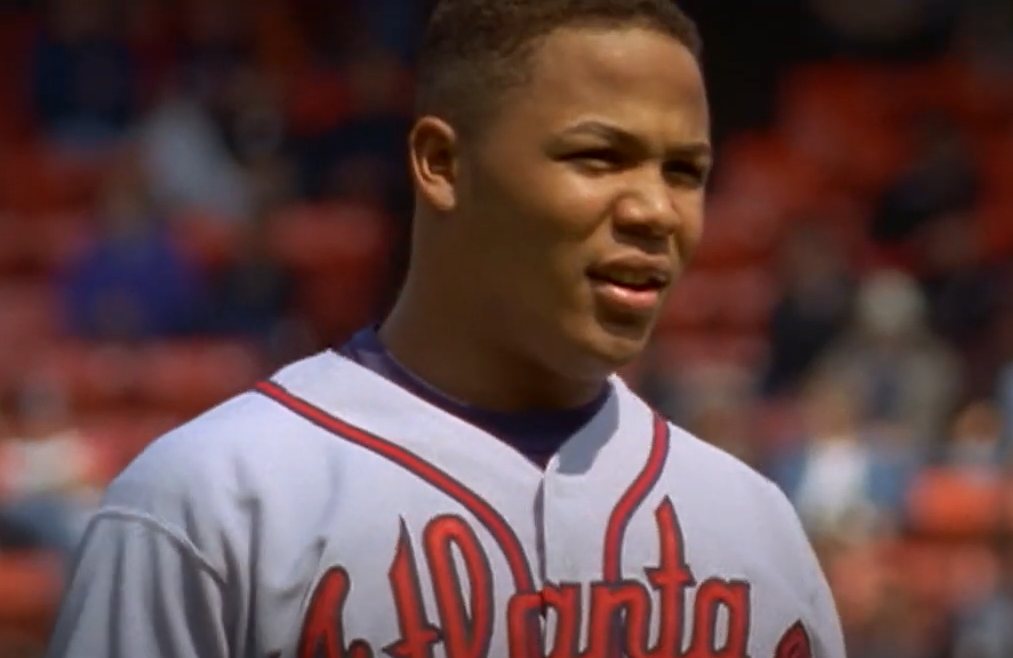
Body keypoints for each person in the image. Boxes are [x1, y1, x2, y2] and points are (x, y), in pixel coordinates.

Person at [46, 1, 846, 657]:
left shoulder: (752, 529)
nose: (655, 211)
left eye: (685, 172)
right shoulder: (218, 501)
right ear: (440, 164)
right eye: (599, 157)